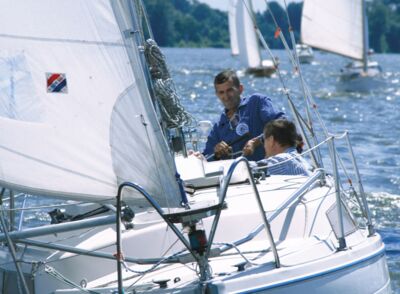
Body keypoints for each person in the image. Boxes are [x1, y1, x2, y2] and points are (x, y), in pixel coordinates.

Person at [202, 69, 285, 161]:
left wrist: (257, 141)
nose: (226, 96)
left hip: (269, 170)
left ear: (240, 89)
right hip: (239, 174)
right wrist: (217, 153)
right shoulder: (217, 128)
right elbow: (206, 159)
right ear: (217, 94)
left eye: (230, 90)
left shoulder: (257, 102)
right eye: (221, 92)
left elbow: (282, 124)